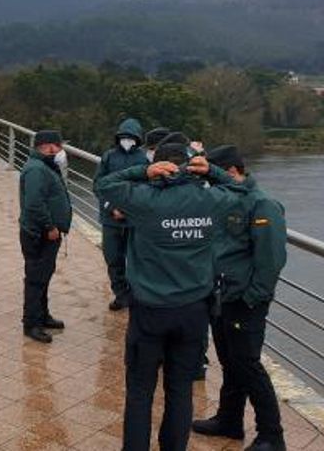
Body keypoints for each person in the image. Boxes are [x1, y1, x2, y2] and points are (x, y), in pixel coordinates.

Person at [95, 143, 238, 451]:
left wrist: (142, 172)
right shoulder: (210, 199)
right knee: (180, 389)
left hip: (150, 310)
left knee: (140, 391)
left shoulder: (145, 200)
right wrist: (212, 171)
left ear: (158, 167)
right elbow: (246, 192)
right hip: (193, 312)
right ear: (188, 166)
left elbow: (103, 185)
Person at [192, 145, 289, 451]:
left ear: (232, 172)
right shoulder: (224, 202)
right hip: (221, 296)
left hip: (245, 301)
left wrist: (253, 297)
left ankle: (272, 435)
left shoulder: (262, 205)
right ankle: (229, 420)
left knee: (248, 364)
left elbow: (271, 260)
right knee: (230, 362)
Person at [18, 129, 72, 343]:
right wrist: (50, 227)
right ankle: (31, 324)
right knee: (35, 279)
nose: (61, 151)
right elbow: (34, 204)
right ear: (49, 146)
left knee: (43, 276)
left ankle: (43, 315)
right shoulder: (37, 170)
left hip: (45, 233)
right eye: (59, 146)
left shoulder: (45, 166)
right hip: (39, 234)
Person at [94, 118, 149, 311]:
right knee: (113, 258)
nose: (127, 140)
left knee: (135, 260)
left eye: (131, 137)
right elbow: (98, 186)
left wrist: (129, 210)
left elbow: (146, 189)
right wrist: (111, 208)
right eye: (124, 137)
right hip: (110, 220)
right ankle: (120, 295)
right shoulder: (108, 157)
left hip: (133, 221)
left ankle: (136, 295)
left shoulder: (143, 159)